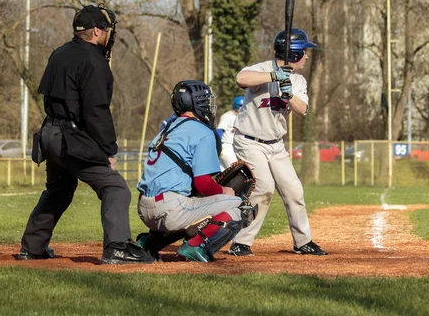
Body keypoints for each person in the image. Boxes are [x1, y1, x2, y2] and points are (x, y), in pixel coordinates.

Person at [18, 5, 153, 265]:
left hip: (49, 133)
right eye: (105, 30)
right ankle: (117, 248)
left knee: (59, 190)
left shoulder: (59, 53)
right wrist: (108, 150)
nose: (107, 34)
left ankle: (32, 247)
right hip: (70, 138)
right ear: (95, 31)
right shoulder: (94, 61)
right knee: (116, 188)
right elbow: (95, 111)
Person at [228, 28, 327, 257]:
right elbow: (241, 79)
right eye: (303, 52)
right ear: (293, 54)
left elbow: (302, 110)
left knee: (294, 190)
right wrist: (274, 76)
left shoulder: (299, 80)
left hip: (276, 145)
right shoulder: (262, 69)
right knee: (263, 188)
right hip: (250, 141)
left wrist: (289, 94)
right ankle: (240, 242)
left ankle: (303, 242)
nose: (307, 56)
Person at [136, 80, 256, 262]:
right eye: (206, 101)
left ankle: (150, 243)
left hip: (144, 207)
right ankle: (196, 246)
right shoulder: (202, 131)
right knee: (241, 206)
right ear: (197, 103)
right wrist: (224, 191)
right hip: (170, 209)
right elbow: (202, 183)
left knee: (191, 205)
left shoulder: (168, 127)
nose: (209, 106)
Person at [217, 96, 244, 171]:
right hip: (226, 147)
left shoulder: (240, 117)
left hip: (234, 147)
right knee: (234, 170)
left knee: (223, 173)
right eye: (241, 106)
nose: (243, 107)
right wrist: (219, 147)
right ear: (236, 105)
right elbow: (219, 131)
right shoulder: (227, 116)